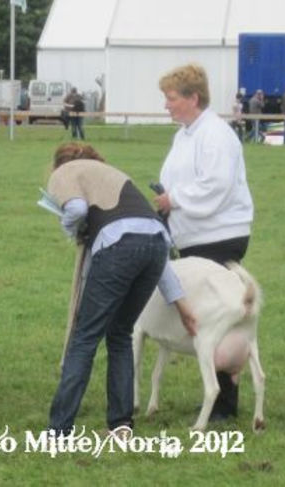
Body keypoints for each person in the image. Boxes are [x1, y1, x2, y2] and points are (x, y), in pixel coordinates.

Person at [47, 142, 196, 437]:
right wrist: (181, 304)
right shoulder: (113, 174)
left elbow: (75, 209)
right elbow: (154, 247)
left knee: (84, 338)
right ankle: (121, 425)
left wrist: (70, 229)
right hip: (156, 244)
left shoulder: (64, 173)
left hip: (119, 246)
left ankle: (59, 431)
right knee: (119, 334)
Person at [155, 63, 254, 421]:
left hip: (219, 236)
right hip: (194, 235)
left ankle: (225, 403)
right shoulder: (185, 134)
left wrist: (174, 200)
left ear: (193, 98)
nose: (166, 105)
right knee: (207, 314)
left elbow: (216, 185)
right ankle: (218, 396)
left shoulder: (216, 134)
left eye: (170, 98)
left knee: (218, 316)